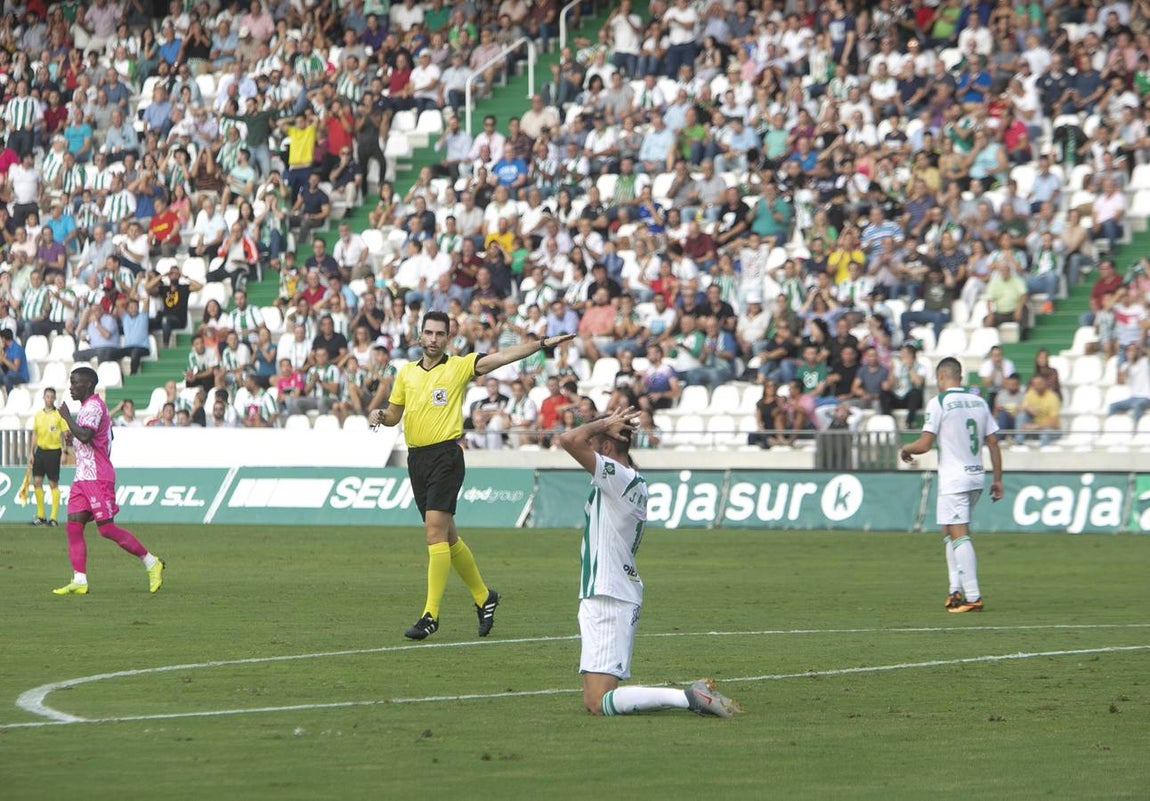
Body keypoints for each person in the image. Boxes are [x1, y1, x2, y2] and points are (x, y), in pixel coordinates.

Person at [368, 312, 577, 640]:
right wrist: (379, 413)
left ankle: (430, 615)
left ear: (448, 338)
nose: (433, 338)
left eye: (440, 333)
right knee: (447, 537)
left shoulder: (459, 366)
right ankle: (484, 597)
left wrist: (541, 345)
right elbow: (395, 414)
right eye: (429, 332)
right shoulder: (406, 373)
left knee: (434, 535)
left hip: (446, 457)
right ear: (420, 336)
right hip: (417, 459)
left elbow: (505, 355)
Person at [558, 405, 740, 718]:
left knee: (598, 702)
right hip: (610, 591)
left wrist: (602, 423)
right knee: (595, 699)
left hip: (608, 593)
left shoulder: (618, 478)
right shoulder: (634, 480)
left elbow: (568, 440)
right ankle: (690, 697)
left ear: (605, 447)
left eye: (595, 443)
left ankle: (690, 697)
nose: (588, 447)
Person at [900, 357, 1003, 615]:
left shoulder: (940, 402)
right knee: (949, 529)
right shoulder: (979, 402)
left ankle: (973, 596)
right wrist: (998, 479)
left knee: (958, 532)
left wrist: (906, 448)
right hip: (976, 476)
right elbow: (993, 442)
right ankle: (954, 590)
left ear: (942, 377)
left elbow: (924, 445)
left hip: (954, 478)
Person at [50, 367, 165, 596]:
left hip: (98, 477)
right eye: (71, 383)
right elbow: (89, 438)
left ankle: (152, 563)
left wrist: (67, 420)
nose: (71, 387)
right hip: (83, 476)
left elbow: (86, 435)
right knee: (73, 526)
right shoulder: (86, 408)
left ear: (89, 386)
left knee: (107, 529)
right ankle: (79, 579)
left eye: (75, 383)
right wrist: (72, 435)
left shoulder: (93, 406)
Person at [29, 388, 65, 527]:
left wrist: (65, 451)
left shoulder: (58, 415)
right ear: (43, 398)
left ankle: (53, 518)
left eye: (51, 397)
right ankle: (41, 515)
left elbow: (65, 433)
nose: (49, 399)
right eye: (47, 396)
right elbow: (35, 434)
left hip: (54, 452)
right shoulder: (38, 415)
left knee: (53, 484)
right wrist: (31, 452)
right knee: (37, 482)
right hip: (40, 451)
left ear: (54, 399)